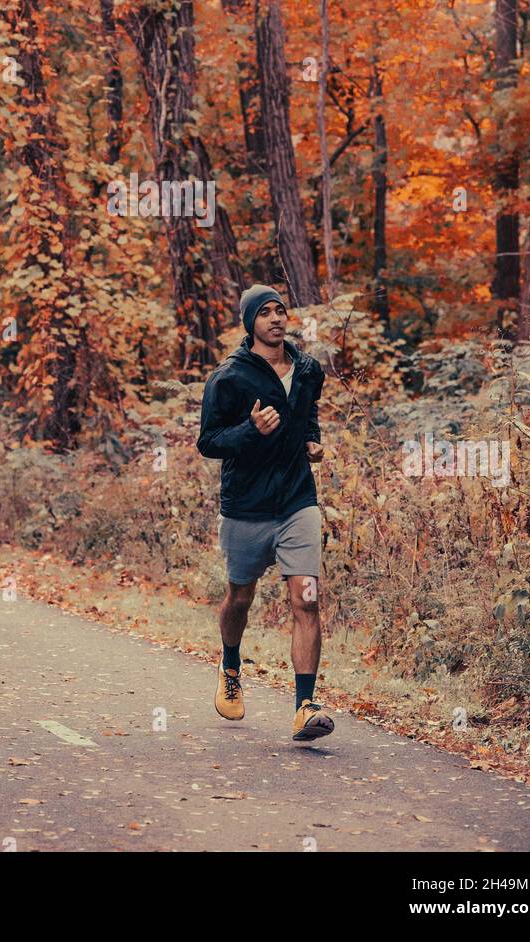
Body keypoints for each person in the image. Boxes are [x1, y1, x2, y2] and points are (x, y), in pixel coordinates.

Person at [197, 284, 334, 742]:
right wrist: (251, 430)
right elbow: (209, 442)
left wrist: (311, 439)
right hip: (246, 508)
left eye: (281, 311)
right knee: (240, 598)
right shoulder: (229, 378)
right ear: (250, 322)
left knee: (308, 599)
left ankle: (305, 706)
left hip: (298, 501)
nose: (276, 319)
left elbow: (307, 413)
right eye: (265, 313)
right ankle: (231, 664)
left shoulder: (309, 369)